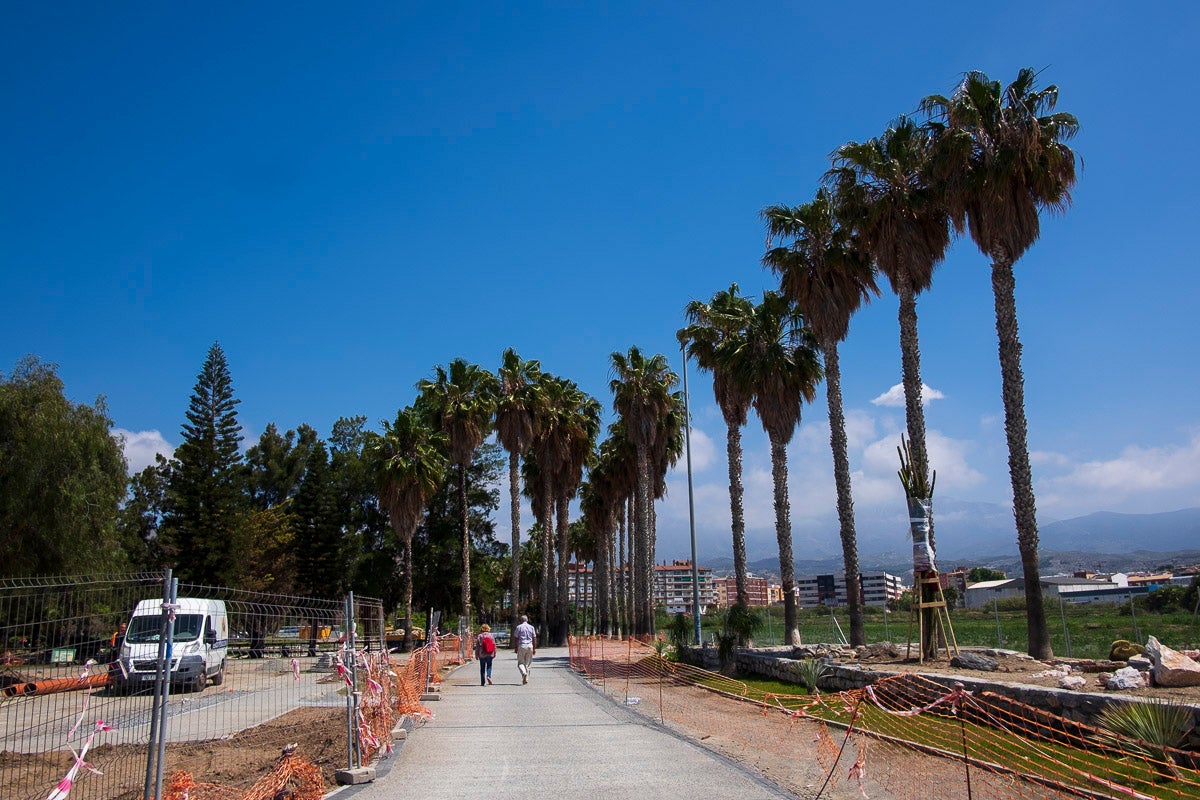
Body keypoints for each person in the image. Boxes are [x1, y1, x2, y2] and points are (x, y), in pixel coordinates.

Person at [513, 615, 537, 685]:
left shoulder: (518, 627)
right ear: (527, 620)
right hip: (530, 646)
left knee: (520, 663)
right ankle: (526, 679)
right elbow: (534, 638)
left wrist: (516, 647)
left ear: (521, 620)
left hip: (522, 645)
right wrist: (534, 648)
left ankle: (524, 673)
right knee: (527, 664)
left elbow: (516, 638)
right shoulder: (531, 627)